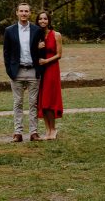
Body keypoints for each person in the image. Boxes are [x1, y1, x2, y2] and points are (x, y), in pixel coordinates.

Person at [3, 1, 43, 141]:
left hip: (33, 71)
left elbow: (41, 49)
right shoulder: (9, 30)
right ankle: (18, 133)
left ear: (30, 13)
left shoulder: (37, 30)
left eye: (26, 11)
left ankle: (34, 132)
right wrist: (10, 70)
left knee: (34, 103)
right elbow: (6, 53)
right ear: (17, 13)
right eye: (21, 11)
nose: (24, 13)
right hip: (17, 71)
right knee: (18, 102)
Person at [36, 9, 63, 139]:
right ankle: (47, 130)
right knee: (42, 101)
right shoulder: (36, 35)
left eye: (45, 19)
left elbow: (59, 55)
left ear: (49, 21)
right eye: (40, 19)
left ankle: (53, 129)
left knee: (50, 100)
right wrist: (37, 48)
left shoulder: (56, 34)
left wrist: (46, 60)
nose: (43, 21)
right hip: (40, 71)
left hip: (51, 69)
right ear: (37, 21)